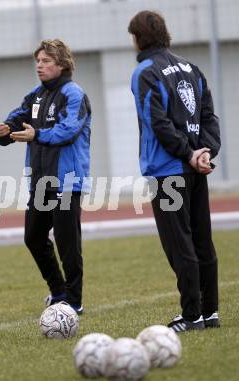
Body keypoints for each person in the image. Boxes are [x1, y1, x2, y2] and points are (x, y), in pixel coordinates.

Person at [128, 11, 221, 332]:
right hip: (197, 169)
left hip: (168, 172)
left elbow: (159, 123)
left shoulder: (144, 72)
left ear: (138, 38)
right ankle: (210, 313)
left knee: (179, 244)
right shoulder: (192, 69)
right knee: (202, 241)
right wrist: (205, 151)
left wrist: (188, 153)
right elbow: (209, 117)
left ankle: (192, 316)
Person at [0, 39, 91, 314]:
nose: (39, 65)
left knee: (67, 242)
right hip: (41, 181)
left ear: (61, 63)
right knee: (33, 237)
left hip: (67, 180)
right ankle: (58, 291)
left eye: (46, 61)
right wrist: (1, 132)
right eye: (37, 61)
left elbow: (69, 130)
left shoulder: (74, 95)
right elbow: (15, 122)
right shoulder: (35, 96)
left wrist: (38, 134)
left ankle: (74, 300)